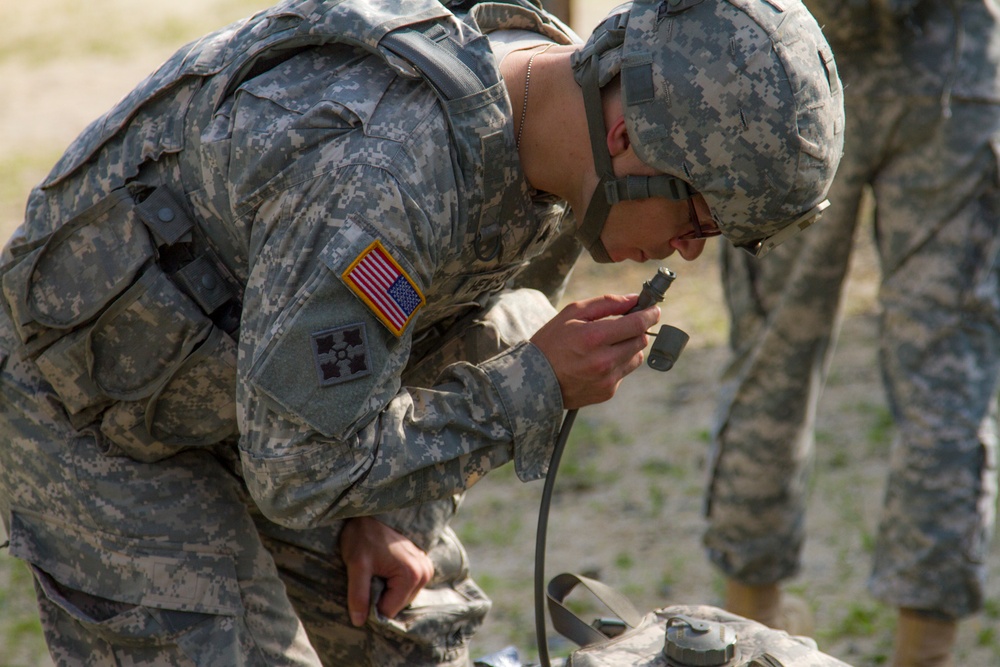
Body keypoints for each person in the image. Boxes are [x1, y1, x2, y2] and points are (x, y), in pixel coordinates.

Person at [0, 0, 842, 664]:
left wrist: (395, 509)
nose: (688, 250)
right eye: (698, 214)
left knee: (414, 627)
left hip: (273, 400)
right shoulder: (383, 177)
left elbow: (464, 329)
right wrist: (535, 386)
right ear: (629, 136)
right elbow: (301, 474)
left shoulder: (555, 123)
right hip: (99, 420)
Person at [701, 2, 1000, 665]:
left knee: (771, 358)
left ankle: (749, 626)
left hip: (792, 62)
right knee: (946, 375)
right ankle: (923, 652)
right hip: (947, 65)